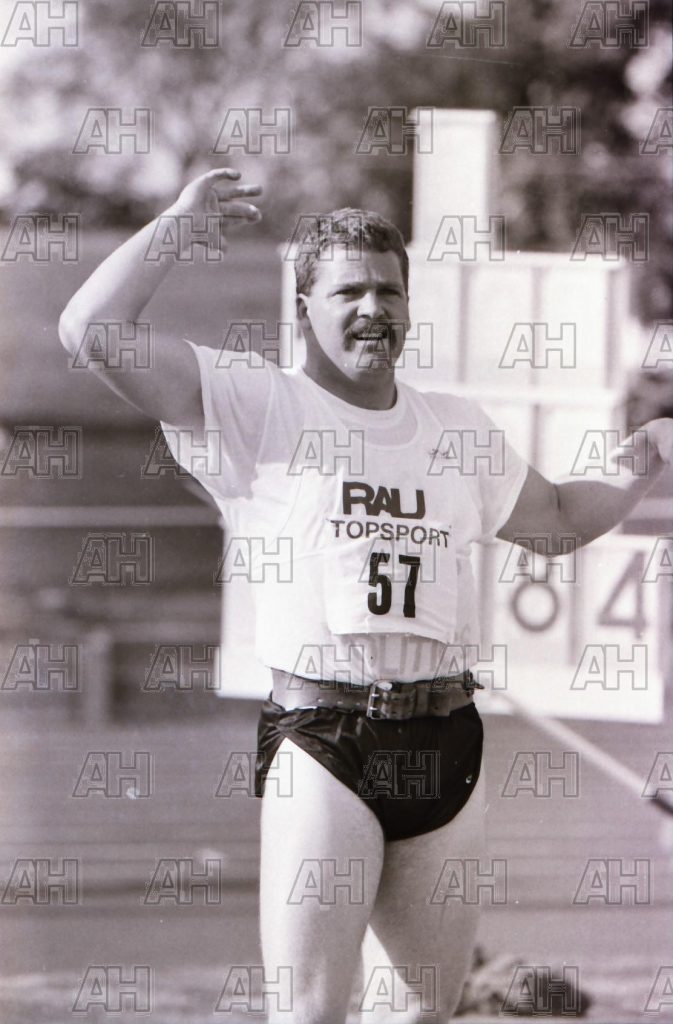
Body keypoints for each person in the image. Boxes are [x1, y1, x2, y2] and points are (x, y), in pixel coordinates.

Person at [59, 168, 672, 1024]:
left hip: (446, 739)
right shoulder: (256, 401)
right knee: (310, 1011)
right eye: (348, 291)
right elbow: (90, 331)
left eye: (388, 290)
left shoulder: (456, 427)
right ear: (302, 306)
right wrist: (175, 225)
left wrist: (647, 455)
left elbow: (561, 520)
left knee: (419, 1012)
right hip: (326, 739)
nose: (372, 309)